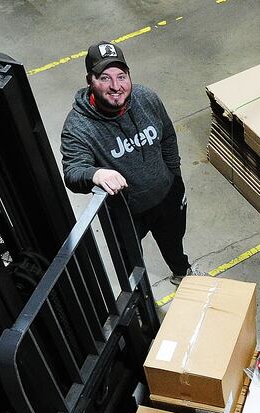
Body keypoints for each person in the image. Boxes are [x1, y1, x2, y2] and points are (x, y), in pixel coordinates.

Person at [60, 41, 204, 285]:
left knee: (174, 243)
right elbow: (73, 172)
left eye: (121, 76)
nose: (116, 86)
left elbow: (167, 135)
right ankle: (141, 300)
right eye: (105, 78)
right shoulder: (78, 126)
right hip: (126, 213)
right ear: (89, 81)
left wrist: (174, 176)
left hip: (166, 196)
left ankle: (181, 273)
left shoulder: (146, 98)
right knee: (130, 265)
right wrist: (96, 174)